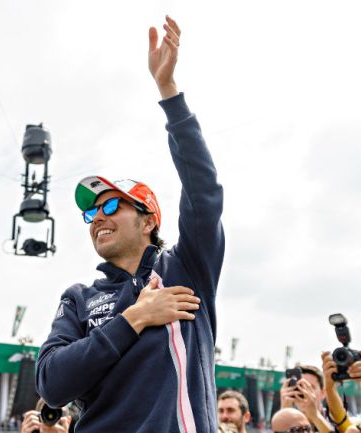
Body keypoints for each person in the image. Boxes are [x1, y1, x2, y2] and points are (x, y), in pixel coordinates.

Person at [36, 14, 225, 433]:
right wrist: (134, 319)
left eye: (111, 207)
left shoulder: (186, 267)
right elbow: (52, 383)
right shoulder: (79, 299)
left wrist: (168, 92)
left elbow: (204, 192)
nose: (97, 218)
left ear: (148, 221)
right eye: (90, 212)